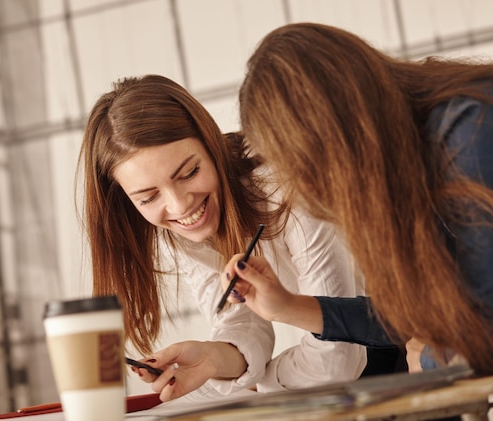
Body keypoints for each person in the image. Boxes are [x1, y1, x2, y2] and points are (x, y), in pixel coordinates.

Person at [78, 74, 370, 402]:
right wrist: (211, 358)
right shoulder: (180, 231)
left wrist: (258, 385)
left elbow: (338, 361)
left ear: (210, 144)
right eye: (148, 198)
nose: (179, 205)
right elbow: (242, 321)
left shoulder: (287, 189)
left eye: (189, 173)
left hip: (408, 346)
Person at [221, 22, 493, 374]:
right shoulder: (406, 165)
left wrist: (429, 358)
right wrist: (285, 306)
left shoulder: (467, 130)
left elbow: (481, 334)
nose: (307, 185)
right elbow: (411, 320)